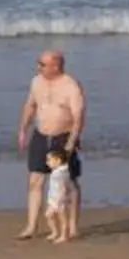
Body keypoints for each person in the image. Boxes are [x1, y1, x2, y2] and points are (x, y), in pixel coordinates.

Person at [14, 49, 87, 241]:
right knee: (35, 181)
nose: (39, 67)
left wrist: (72, 141)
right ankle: (31, 226)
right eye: (39, 63)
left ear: (56, 65)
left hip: (62, 137)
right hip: (41, 135)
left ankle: (72, 226)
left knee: (68, 183)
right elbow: (30, 105)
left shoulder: (71, 86)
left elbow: (79, 117)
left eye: (42, 64)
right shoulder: (37, 81)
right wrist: (23, 129)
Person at [40, 144, 76, 244]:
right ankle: (55, 232)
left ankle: (64, 235)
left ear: (58, 161)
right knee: (48, 215)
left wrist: (62, 198)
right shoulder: (56, 172)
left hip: (61, 199)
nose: (47, 163)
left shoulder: (62, 173)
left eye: (49, 160)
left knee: (62, 218)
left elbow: (64, 187)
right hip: (53, 198)